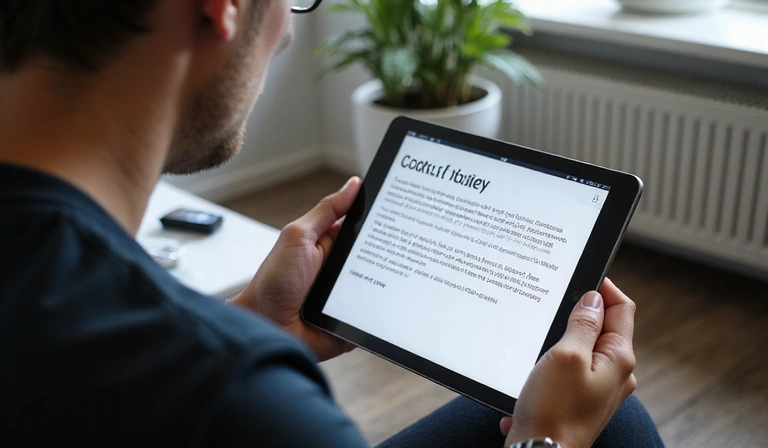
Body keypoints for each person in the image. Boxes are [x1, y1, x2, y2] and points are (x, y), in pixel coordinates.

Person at [0, 1, 663, 446]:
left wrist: (254, 317)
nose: (287, 29)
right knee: (605, 421)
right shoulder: (235, 397)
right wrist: (547, 440)